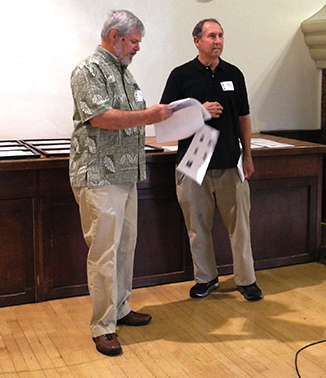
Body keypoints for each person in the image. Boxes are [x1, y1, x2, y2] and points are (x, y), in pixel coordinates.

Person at [69, 9, 173, 356]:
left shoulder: (126, 76)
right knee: (103, 252)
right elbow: (100, 118)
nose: (137, 48)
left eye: (139, 43)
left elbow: (134, 117)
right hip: (99, 176)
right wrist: (151, 115)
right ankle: (102, 325)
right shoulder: (88, 70)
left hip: (127, 174)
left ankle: (121, 308)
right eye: (133, 42)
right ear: (114, 36)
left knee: (126, 246)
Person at [160, 18, 262, 302]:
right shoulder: (181, 76)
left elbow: (244, 117)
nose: (217, 41)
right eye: (211, 36)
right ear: (197, 41)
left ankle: (246, 280)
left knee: (240, 226)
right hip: (195, 162)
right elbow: (166, 122)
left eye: (220, 36)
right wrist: (199, 111)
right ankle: (205, 278)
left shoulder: (234, 74)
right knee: (198, 227)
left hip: (230, 161)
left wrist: (248, 156)